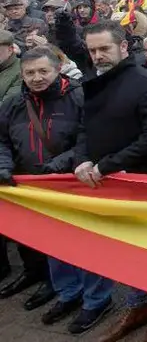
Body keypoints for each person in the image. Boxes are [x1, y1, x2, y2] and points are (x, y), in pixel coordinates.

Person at [76, 22, 147, 337]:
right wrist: (83, 160)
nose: (98, 56)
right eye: (92, 51)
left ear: (124, 47)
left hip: (142, 184)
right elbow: (84, 129)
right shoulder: (93, 81)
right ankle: (138, 305)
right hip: (103, 184)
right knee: (122, 250)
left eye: (104, 49)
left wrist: (106, 166)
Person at [0, 47, 99, 323]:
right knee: (53, 245)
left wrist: (62, 163)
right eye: (30, 72)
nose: (37, 77)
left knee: (86, 245)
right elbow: (1, 139)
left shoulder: (79, 96)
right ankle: (67, 293)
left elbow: (91, 137)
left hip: (73, 183)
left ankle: (95, 300)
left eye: (43, 71)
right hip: (33, 187)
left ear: (58, 69)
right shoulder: (13, 103)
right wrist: (3, 166)